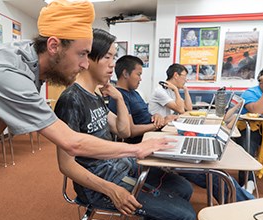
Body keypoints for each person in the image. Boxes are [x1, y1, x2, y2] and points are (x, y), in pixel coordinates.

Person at [0, 1, 169, 220]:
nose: (85, 64)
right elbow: (72, 142)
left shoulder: (30, 64)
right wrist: (136, 150)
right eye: (82, 54)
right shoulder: (11, 74)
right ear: (53, 46)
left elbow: (6, 106)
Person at [55, 29, 195, 220]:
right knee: (184, 216)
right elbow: (66, 166)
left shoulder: (95, 95)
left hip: (121, 168)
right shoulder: (71, 99)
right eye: (107, 57)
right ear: (87, 58)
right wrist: (112, 190)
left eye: (114, 57)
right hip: (99, 186)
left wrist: (119, 98)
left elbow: (123, 130)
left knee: (184, 188)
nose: (113, 64)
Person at [109, 55, 254, 202]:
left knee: (207, 159)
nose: (140, 79)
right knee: (212, 174)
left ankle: (242, 201)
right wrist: (158, 123)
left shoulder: (134, 93)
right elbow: (130, 131)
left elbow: (146, 115)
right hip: (149, 145)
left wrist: (157, 116)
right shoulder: (119, 97)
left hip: (158, 137)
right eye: (138, 74)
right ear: (126, 73)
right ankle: (246, 204)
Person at [235, 67, 263, 186]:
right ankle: (247, 182)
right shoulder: (250, 92)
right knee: (247, 149)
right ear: (262, 78)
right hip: (249, 128)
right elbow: (256, 111)